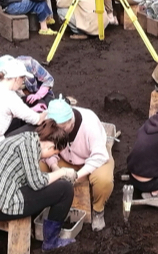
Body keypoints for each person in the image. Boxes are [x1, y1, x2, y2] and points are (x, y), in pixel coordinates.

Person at [0, 122, 79, 251]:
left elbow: (28, 178)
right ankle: (51, 243)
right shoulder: (30, 147)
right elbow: (37, 183)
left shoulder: (23, 138)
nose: (53, 157)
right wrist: (62, 172)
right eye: (55, 152)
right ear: (50, 146)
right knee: (65, 189)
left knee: (40, 189)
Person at [44, 98, 114, 231]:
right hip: (64, 159)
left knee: (104, 180)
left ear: (71, 121)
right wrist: (55, 167)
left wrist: (76, 175)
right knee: (40, 167)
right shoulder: (50, 125)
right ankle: (46, 206)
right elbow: (46, 149)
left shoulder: (89, 123)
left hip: (92, 158)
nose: (60, 133)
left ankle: (98, 210)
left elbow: (99, 155)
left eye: (63, 129)